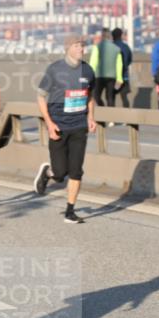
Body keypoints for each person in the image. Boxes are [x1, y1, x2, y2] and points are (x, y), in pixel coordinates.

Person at [33, 36, 97, 224]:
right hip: (59, 126)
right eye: (77, 46)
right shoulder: (55, 69)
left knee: (76, 171)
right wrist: (49, 123)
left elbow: (90, 96)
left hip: (79, 126)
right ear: (67, 48)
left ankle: (70, 211)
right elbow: (41, 96)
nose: (81, 49)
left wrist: (90, 117)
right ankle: (49, 173)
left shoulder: (88, 70)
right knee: (60, 174)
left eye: (82, 46)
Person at [87, 28, 123, 110]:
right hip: (112, 76)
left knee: (96, 96)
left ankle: (102, 110)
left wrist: (90, 75)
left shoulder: (97, 47)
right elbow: (119, 64)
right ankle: (111, 116)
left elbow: (93, 62)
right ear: (110, 36)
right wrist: (119, 78)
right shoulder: (116, 49)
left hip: (99, 76)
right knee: (110, 97)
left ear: (102, 36)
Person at [111, 27, 133, 109]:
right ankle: (127, 115)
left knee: (111, 97)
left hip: (112, 76)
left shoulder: (110, 47)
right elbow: (130, 60)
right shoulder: (126, 47)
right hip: (124, 76)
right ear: (121, 35)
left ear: (112, 36)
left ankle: (111, 116)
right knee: (124, 97)